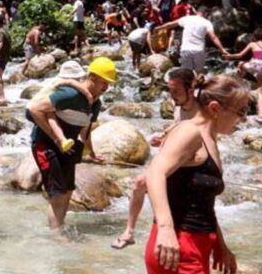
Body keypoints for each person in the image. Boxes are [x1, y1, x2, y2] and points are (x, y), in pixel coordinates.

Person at [144, 75, 245, 274]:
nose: (244, 119)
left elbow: (202, 202)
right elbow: (155, 172)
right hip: (176, 247)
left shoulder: (210, 139)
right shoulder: (189, 131)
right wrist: (165, 229)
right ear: (215, 108)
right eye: (241, 111)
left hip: (197, 246)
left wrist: (220, 245)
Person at [112, 68, 198, 250]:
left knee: (143, 182)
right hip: (176, 154)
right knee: (139, 184)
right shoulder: (179, 105)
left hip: (191, 159)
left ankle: (156, 231)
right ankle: (129, 232)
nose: (172, 96)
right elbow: (178, 124)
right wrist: (164, 135)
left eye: (176, 91)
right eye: (170, 90)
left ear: (191, 91)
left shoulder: (201, 110)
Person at [27, 57, 114, 230]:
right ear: (92, 77)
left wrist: (91, 152)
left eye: (109, 83)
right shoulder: (70, 95)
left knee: (67, 191)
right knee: (57, 194)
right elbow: (34, 109)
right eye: (104, 82)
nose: (106, 87)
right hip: (45, 144)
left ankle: (59, 227)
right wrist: (55, 138)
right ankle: (56, 235)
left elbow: (85, 130)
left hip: (69, 146)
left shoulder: (95, 103)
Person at [154, 6, 228, 73]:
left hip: (186, 49)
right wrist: (222, 50)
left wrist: (159, 28)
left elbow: (170, 24)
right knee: (199, 74)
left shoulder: (187, 18)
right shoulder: (207, 23)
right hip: (199, 50)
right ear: (206, 14)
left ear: (197, 12)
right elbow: (213, 37)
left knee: (186, 74)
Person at [223, 28, 262, 119]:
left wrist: (229, 56)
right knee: (260, 91)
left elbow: (239, 55)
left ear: (254, 37)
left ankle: (238, 81)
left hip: (256, 66)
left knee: (240, 63)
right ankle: (260, 114)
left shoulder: (253, 44)